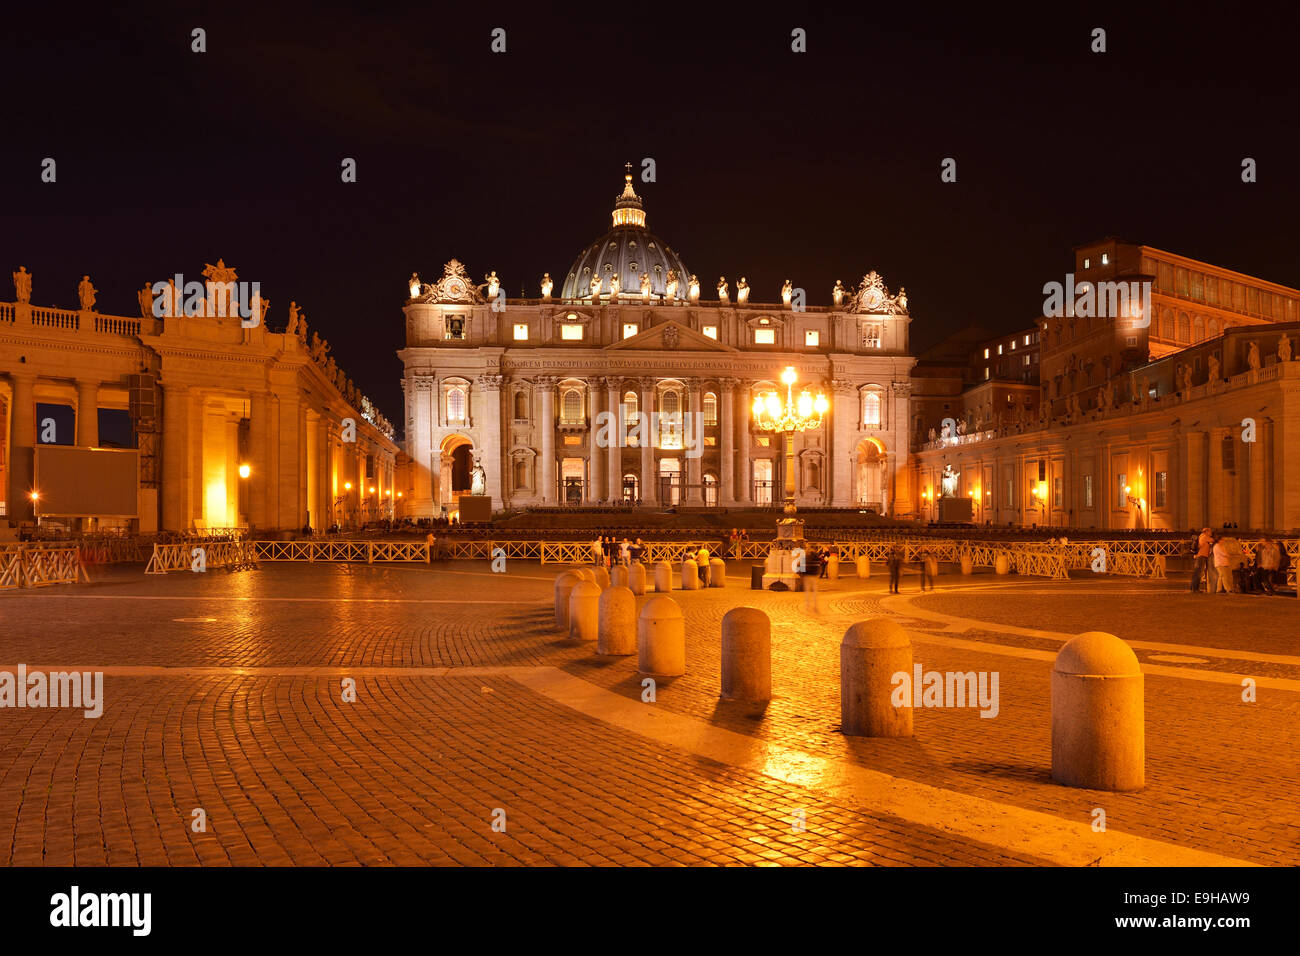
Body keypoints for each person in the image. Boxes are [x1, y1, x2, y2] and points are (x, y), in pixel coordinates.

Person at [1190, 527, 1213, 593]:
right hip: (1201, 556)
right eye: (1210, 531)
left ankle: (1193, 588)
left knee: (1197, 573)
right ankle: (1195, 589)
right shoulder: (1204, 537)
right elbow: (1212, 540)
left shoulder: (1201, 537)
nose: (1211, 533)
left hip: (1201, 556)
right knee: (1198, 573)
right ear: (1206, 532)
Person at [800, 545, 823, 612]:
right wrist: (818, 574)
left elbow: (802, 567)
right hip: (814, 576)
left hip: (807, 576)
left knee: (807, 591)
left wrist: (802, 575)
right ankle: (815, 606)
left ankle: (807, 606)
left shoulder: (805, 557)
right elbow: (819, 565)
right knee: (815, 592)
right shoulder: (816, 557)